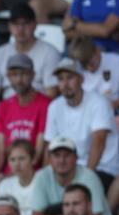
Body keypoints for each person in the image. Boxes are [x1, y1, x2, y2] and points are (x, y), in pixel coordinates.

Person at [44, 58, 119, 187]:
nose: (65, 84)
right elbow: (49, 146)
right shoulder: (54, 106)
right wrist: (47, 177)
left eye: (70, 77)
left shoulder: (99, 103)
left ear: (82, 79)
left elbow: (99, 143)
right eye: (61, 79)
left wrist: (85, 180)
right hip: (68, 169)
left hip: (101, 168)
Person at [0, 3, 61, 110]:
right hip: (8, 112)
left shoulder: (50, 53)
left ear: (35, 25)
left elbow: (52, 95)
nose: (20, 29)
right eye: (15, 24)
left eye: (26, 23)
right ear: (9, 26)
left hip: (38, 111)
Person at [30, 136, 114, 215]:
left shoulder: (89, 177)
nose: (62, 160)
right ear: (49, 159)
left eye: (67, 155)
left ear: (76, 158)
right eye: (57, 155)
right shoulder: (42, 176)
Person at [0, 54, 50, 181]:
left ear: (33, 75)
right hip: (7, 175)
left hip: (34, 175)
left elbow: (40, 149)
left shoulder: (45, 104)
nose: (19, 80)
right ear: (8, 77)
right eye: (14, 75)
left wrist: (16, 176)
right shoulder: (4, 106)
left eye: (24, 74)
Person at [68, 35, 119, 110]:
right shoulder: (78, 73)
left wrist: (115, 104)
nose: (88, 68)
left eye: (91, 64)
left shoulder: (116, 61)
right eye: (84, 66)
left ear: (97, 51)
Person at [0, 140, 39, 215]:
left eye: (21, 159)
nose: (16, 164)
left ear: (33, 159)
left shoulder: (43, 181)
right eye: (12, 160)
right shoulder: (4, 185)